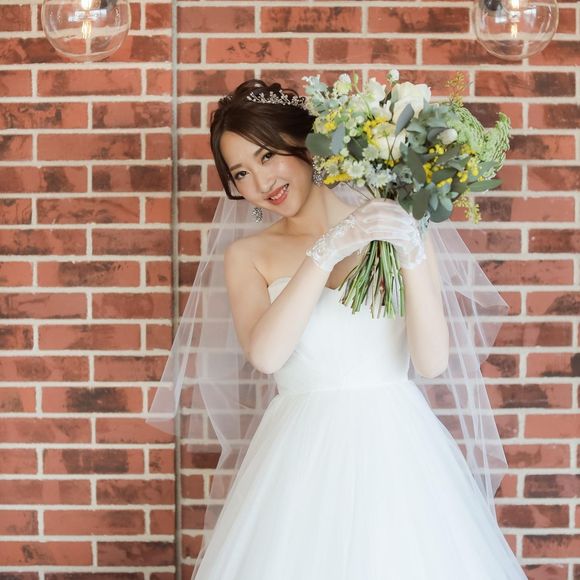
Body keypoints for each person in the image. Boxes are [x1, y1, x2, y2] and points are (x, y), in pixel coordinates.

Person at [147, 79, 527, 579]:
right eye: (241, 173)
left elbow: (432, 362)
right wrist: (325, 250)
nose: (260, 182)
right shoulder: (247, 256)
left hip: (398, 449)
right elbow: (267, 355)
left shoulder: (395, 225)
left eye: (267, 156)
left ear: (304, 144)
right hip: (300, 459)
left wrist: (412, 249)